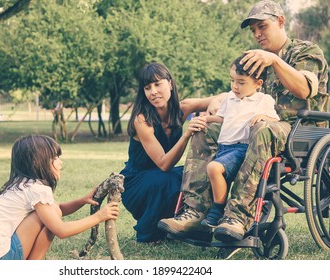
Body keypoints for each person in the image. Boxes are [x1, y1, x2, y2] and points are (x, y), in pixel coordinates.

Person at [159, 0, 328, 243]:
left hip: (302, 131)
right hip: (257, 127)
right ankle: (195, 211)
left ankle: (238, 217)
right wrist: (211, 103)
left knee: (263, 129)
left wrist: (275, 61)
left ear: (281, 22)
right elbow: (240, 91)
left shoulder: (306, 52)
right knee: (205, 127)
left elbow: (304, 90)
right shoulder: (257, 61)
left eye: (262, 27)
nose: (257, 34)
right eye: (253, 30)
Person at [119, 62, 222, 243]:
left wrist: (214, 101)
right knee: (169, 179)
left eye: (158, 84)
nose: (153, 92)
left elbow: (226, 95)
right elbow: (164, 164)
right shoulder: (141, 120)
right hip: (136, 182)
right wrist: (187, 134)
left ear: (170, 84)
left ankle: (196, 225)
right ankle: (149, 232)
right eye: (147, 87)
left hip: (161, 176)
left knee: (199, 173)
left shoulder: (182, 108)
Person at [0, 135, 119, 260]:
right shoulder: (37, 190)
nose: (60, 162)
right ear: (39, 162)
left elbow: (58, 207)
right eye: (55, 158)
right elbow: (61, 230)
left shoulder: (23, 185)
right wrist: (99, 217)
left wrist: (82, 201)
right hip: (2, 257)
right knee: (52, 216)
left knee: (52, 211)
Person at [200, 54, 279, 228]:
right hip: (224, 147)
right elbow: (222, 118)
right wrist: (206, 119)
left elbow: (275, 120)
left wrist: (263, 116)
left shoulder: (263, 100)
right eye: (232, 80)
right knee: (219, 176)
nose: (235, 86)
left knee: (214, 168)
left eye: (241, 82)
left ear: (258, 83)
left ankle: (217, 209)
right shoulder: (230, 97)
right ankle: (215, 212)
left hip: (241, 148)